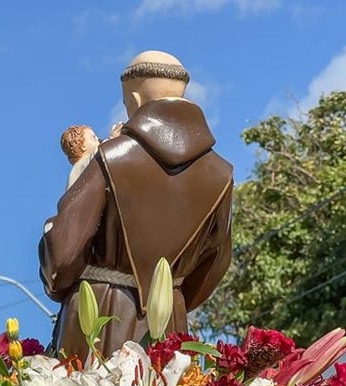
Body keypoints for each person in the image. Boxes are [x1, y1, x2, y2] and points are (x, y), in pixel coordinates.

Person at [39, 50, 234, 360]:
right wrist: (171, 295)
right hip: (171, 322)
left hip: (97, 319)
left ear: (134, 97)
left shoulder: (108, 158)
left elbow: (63, 254)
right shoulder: (221, 174)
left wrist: (59, 281)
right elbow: (215, 264)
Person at [61, 125, 100, 191]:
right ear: (83, 146)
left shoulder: (73, 175)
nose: (98, 139)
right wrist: (114, 137)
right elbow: (102, 153)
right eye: (93, 138)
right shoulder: (83, 165)